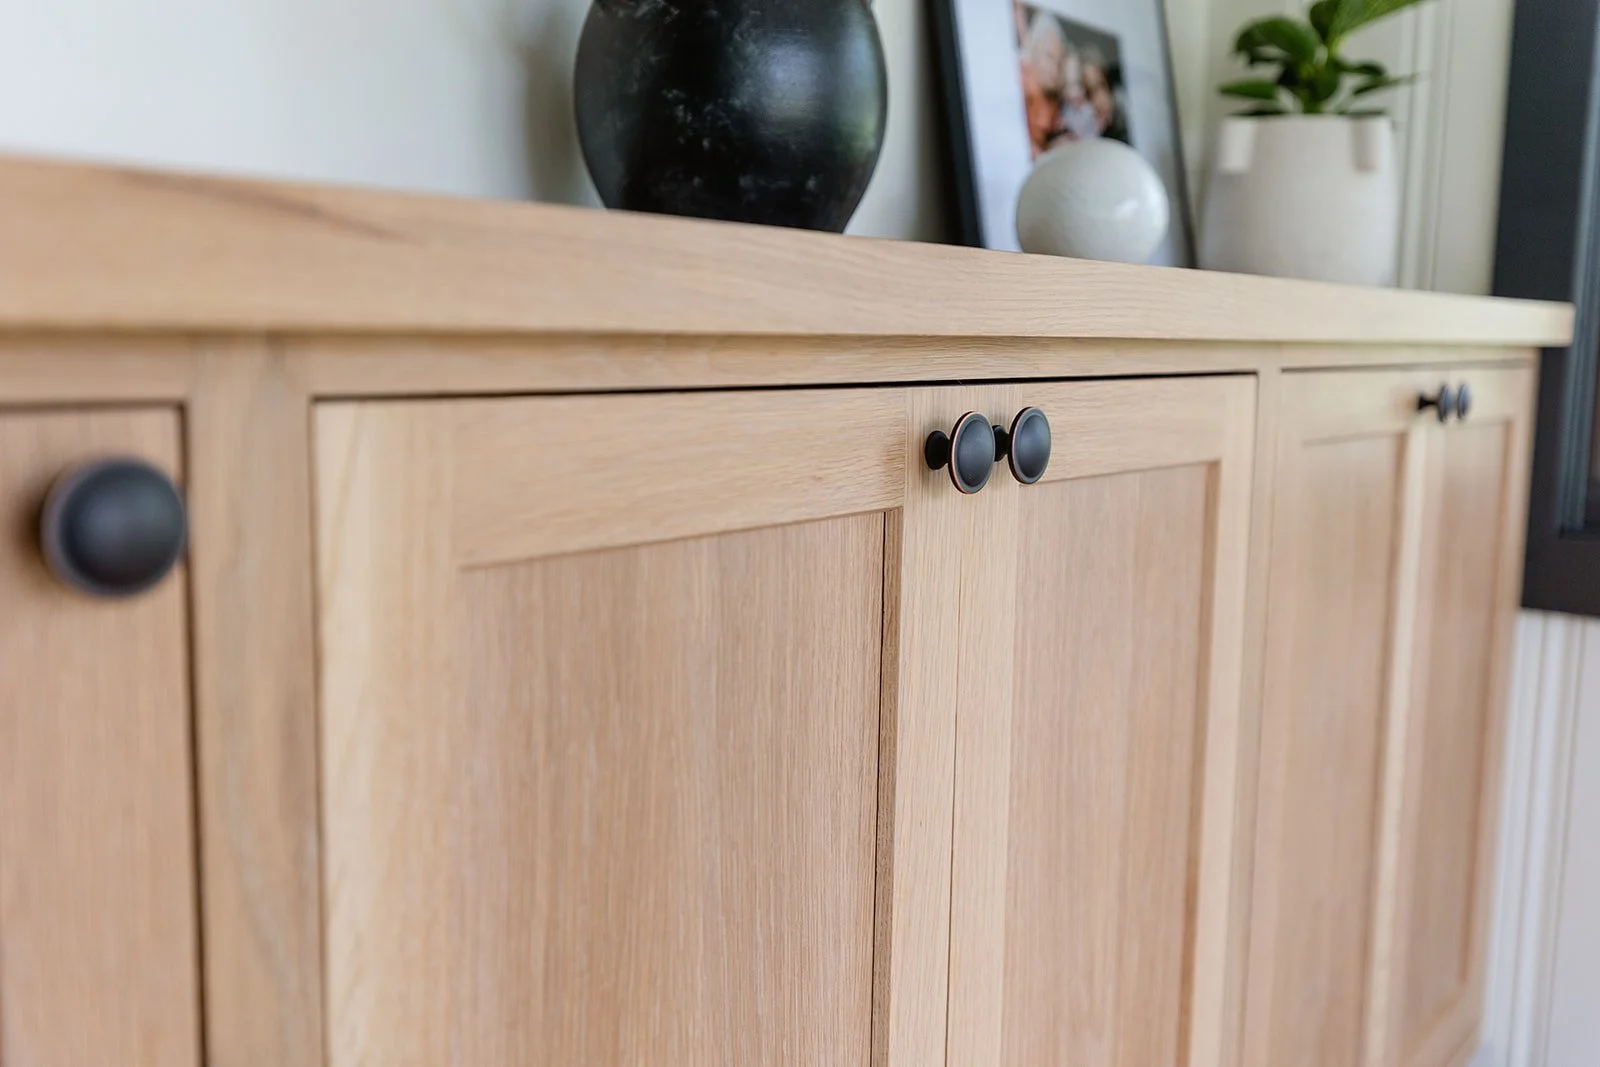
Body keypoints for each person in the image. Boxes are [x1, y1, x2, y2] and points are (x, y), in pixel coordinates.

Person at [1018, 13, 1066, 158]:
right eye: (1049, 57)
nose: (1054, 70)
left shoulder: (1054, 96)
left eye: (1058, 63)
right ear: (1033, 52)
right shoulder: (1021, 81)